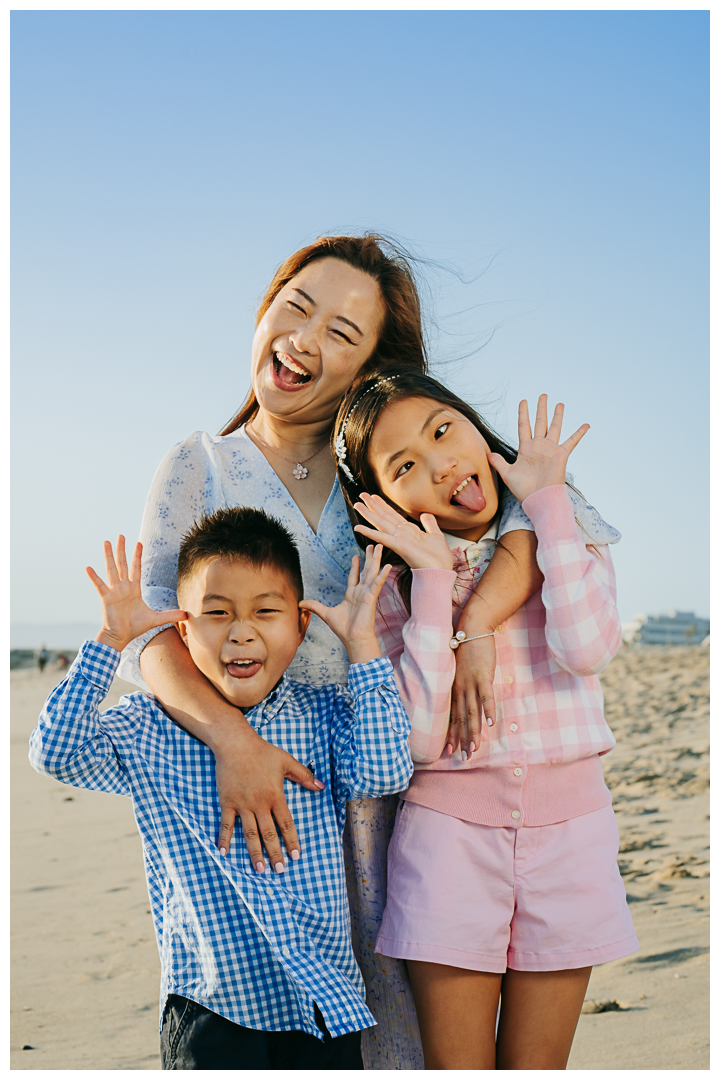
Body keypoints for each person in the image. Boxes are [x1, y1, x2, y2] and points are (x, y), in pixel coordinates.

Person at [331, 368, 638, 1070]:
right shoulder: (392, 588)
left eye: (444, 430)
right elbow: (415, 740)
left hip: (572, 836)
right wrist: (437, 586)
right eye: (406, 464)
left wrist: (550, 506)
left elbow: (586, 648)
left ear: (472, 422)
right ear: (382, 499)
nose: (441, 464)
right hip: (447, 844)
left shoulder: (566, 526)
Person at [30, 509, 413, 1070]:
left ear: (301, 626)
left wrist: (362, 646)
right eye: (216, 613)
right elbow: (55, 753)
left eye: (266, 611)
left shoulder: (321, 715)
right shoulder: (147, 727)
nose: (242, 630)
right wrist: (110, 642)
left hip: (320, 1000)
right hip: (212, 1005)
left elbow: (383, 771)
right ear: (183, 629)